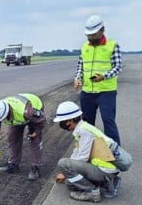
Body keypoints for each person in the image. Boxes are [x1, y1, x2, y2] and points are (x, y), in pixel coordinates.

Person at [53, 101, 122, 202]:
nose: (62, 125)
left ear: (71, 120)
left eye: (63, 121)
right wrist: (66, 172)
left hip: (105, 169)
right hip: (103, 168)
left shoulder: (84, 131)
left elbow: (82, 158)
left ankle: (93, 192)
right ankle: (107, 184)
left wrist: (65, 169)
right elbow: (77, 152)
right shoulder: (82, 128)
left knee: (62, 163)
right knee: (70, 183)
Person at [74, 15, 123, 145]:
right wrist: (78, 78)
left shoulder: (113, 45)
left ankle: (116, 151)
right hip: (87, 92)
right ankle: (87, 148)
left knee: (108, 121)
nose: (90, 38)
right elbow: (81, 65)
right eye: (88, 35)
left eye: (93, 34)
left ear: (102, 31)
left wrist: (104, 76)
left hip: (106, 91)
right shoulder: (85, 47)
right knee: (87, 123)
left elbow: (118, 67)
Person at [0, 93, 46, 181]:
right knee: (12, 138)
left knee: (35, 140)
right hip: (17, 117)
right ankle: (13, 165)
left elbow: (42, 120)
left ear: (6, 114)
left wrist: (36, 132)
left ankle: (36, 168)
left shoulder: (27, 112)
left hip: (34, 112)